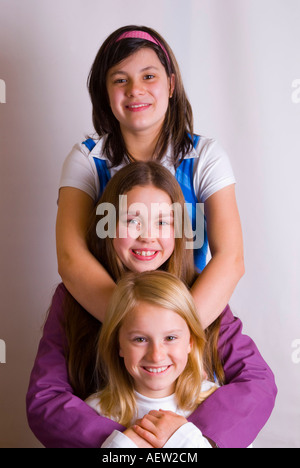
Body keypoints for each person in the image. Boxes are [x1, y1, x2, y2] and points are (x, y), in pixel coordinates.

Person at [27, 162, 277, 448]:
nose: (147, 236)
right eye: (132, 220)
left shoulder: (201, 291)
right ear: (107, 226)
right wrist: (121, 442)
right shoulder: (74, 296)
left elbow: (256, 382)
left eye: (162, 222)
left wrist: (187, 440)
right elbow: (45, 398)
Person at [56, 25, 245, 331]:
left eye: (148, 76)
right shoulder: (87, 161)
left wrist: (174, 334)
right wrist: (132, 329)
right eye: (120, 80)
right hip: (108, 325)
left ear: (171, 84)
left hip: (189, 320)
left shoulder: (205, 157)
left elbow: (231, 258)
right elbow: (70, 256)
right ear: (105, 92)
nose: (135, 89)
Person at [86, 270, 219, 449]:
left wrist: (184, 441)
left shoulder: (216, 402)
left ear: (190, 342)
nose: (156, 356)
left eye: (170, 338)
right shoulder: (94, 412)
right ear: (119, 345)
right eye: (140, 339)